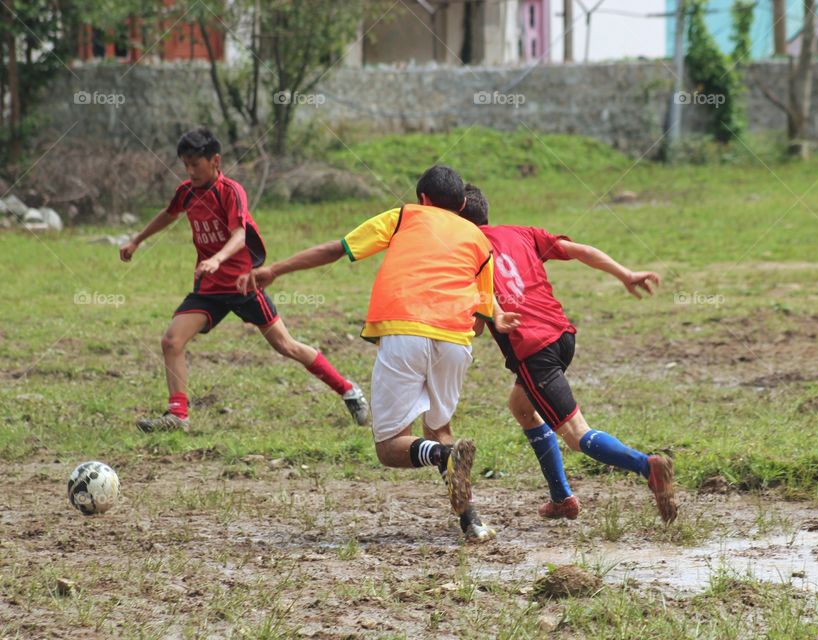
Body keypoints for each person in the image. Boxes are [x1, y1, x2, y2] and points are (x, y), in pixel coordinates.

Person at [237, 165, 520, 542]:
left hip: (404, 330)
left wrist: (275, 269)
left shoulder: (405, 215)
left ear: (422, 199)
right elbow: (485, 314)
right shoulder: (478, 239)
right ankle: (472, 521)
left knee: (390, 447)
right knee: (439, 429)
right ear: (464, 203)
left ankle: (440, 457)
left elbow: (337, 250)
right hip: (455, 340)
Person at [120, 127, 369, 431]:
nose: (189, 171)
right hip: (210, 289)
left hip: (245, 285)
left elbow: (239, 234)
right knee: (171, 341)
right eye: (185, 165)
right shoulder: (186, 192)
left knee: (287, 346)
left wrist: (217, 259)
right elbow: (169, 214)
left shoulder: (231, 191)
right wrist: (137, 240)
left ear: (215, 161)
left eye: (195, 164)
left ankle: (348, 389)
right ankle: (178, 416)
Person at [459, 184, 677, 524]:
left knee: (577, 435)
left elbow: (478, 327)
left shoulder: (465, 253)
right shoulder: (521, 233)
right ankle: (562, 499)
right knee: (521, 406)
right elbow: (580, 250)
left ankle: (647, 466)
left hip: (534, 351)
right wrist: (626, 274)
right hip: (562, 336)